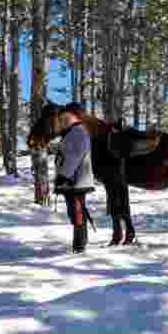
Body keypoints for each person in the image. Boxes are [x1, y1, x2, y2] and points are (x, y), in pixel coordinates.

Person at [52, 102, 95, 253]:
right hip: (72, 180)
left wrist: (64, 175)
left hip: (76, 181)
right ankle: (79, 243)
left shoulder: (78, 132)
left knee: (77, 212)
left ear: (73, 116)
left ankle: (79, 245)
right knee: (75, 211)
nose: (62, 119)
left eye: (65, 116)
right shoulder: (72, 132)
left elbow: (75, 156)